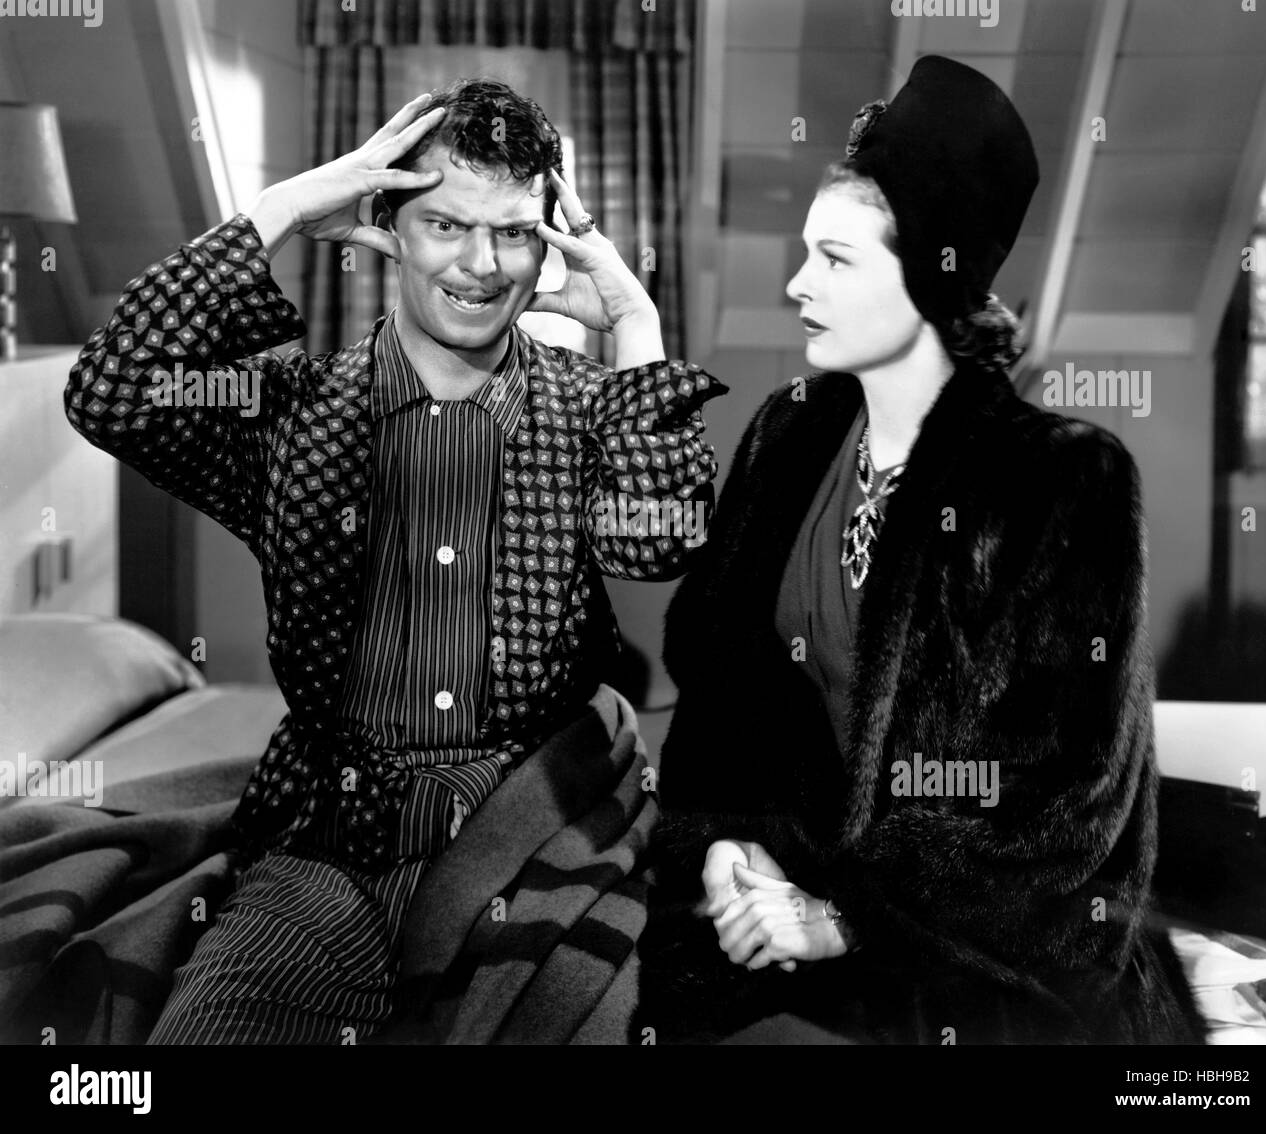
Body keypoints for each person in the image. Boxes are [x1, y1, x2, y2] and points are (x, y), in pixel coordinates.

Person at [64, 77, 724, 1044]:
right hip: (328, 856)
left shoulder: (588, 407)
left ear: (548, 245)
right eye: (446, 225)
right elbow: (113, 391)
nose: (482, 264)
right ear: (386, 226)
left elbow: (658, 535)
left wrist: (636, 328)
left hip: (534, 838)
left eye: (514, 234)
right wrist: (283, 208)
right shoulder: (291, 414)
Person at [634, 56, 1206, 1045]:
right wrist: (728, 846)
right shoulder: (789, 434)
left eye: (837, 260)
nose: (795, 283)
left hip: (978, 961)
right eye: (805, 252)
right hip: (774, 918)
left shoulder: (1064, 480)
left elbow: (1063, 816)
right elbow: (717, 698)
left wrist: (846, 921)